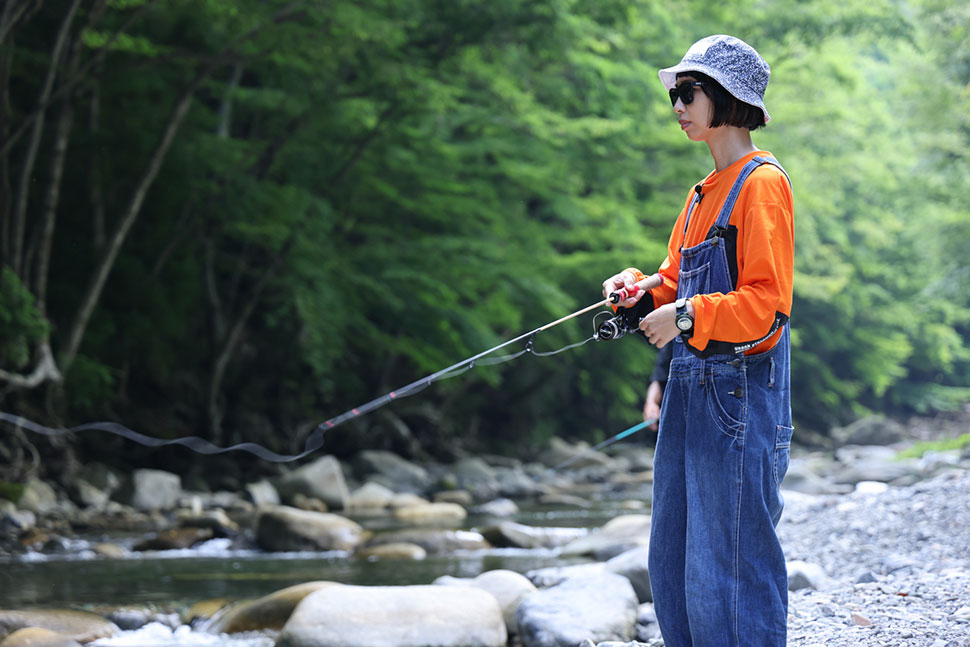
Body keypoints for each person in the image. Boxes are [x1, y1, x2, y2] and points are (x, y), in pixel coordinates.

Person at [601, 35, 795, 647]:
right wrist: (639, 291)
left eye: (687, 93)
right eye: (674, 96)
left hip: (738, 397)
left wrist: (683, 317)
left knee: (731, 560)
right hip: (690, 394)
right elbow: (672, 281)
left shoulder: (762, 183)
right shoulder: (700, 194)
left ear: (726, 98)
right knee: (675, 556)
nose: (677, 105)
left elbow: (768, 308)